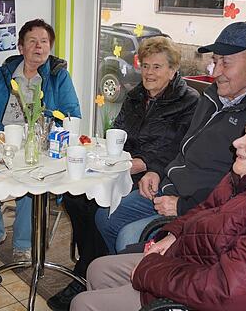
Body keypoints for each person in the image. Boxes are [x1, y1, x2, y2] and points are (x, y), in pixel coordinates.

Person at [51, 21, 246, 310]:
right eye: (215, 61)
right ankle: (113, 277)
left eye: (226, 62)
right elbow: (183, 149)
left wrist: (177, 200)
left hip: (192, 204)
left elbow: (237, 192)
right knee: (96, 211)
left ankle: (131, 288)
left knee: (125, 231)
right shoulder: (211, 96)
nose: (216, 71)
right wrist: (158, 172)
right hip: (161, 183)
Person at [71, 88, 246, 311]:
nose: (237, 143)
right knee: (98, 269)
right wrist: (174, 235)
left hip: (206, 296)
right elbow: (208, 207)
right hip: (195, 263)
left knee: (83, 304)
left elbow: (226, 292)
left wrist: (150, 271)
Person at [49, 36, 199, 310]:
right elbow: (118, 131)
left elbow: (182, 148)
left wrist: (146, 164)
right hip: (125, 169)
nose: (149, 73)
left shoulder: (189, 102)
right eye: (146, 66)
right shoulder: (135, 95)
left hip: (157, 177)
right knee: (75, 198)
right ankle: (91, 264)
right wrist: (116, 156)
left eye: (157, 67)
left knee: (100, 210)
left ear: (173, 70)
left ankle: (90, 270)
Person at [0, 19, 81, 262]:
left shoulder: (58, 77)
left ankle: (23, 243)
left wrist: (43, 131)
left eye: (44, 42)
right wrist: (0, 133)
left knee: (31, 186)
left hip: (40, 144)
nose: (39, 47)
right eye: (32, 41)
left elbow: (72, 114)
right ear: (21, 47)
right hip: (4, 141)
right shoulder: (2, 75)